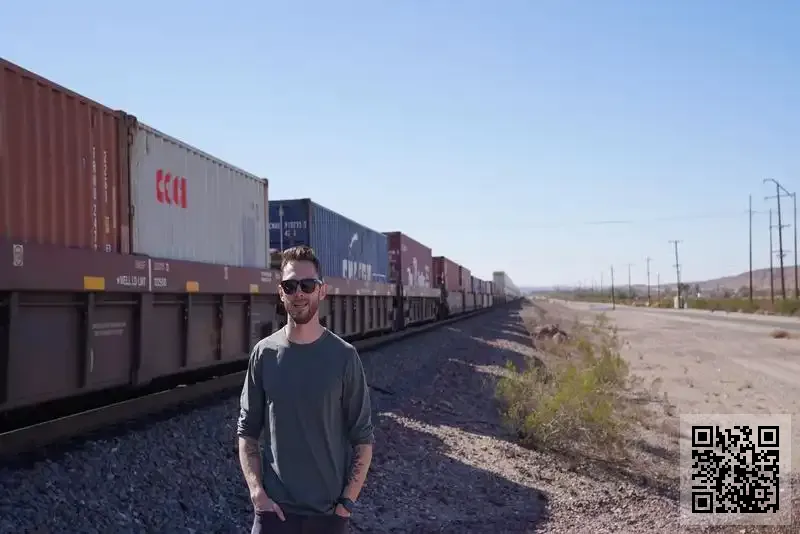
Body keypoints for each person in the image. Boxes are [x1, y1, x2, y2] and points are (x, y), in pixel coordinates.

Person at [236, 245, 375, 534]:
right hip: (273, 517)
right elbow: (247, 431)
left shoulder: (344, 357)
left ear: (322, 291)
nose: (299, 293)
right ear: (281, 292)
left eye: (307, 285)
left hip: (326, 519)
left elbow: (362, 438)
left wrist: (345, 505)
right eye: (290, 286)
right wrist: (257, 493)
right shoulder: (264, 354)